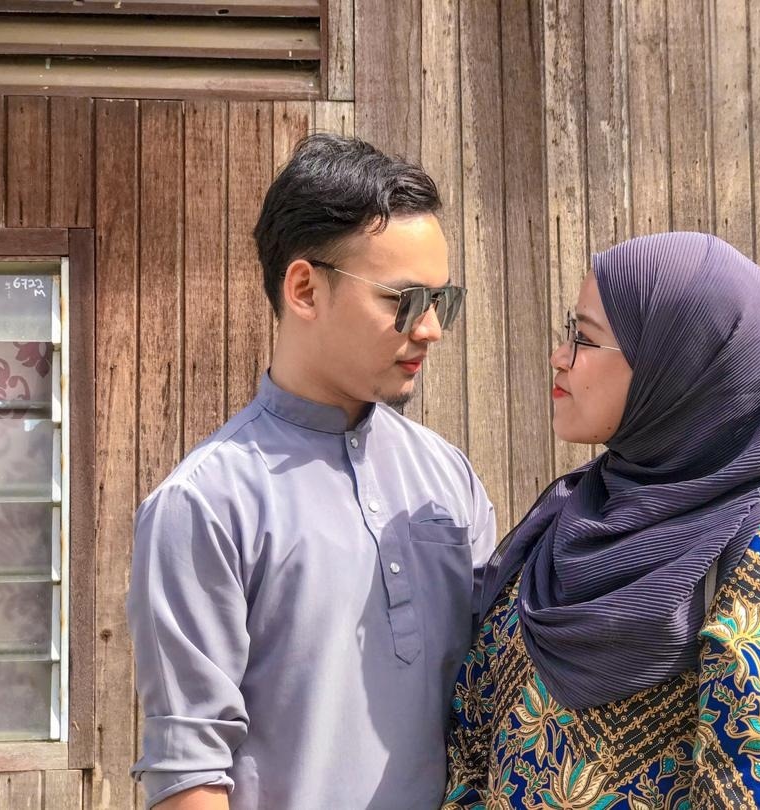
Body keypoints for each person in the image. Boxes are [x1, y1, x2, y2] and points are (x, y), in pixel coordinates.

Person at [127, 134, 496, 810]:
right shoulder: (206, 503)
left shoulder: (447, 478)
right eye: (405, 299)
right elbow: (189, 773)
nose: (431, 329)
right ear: (304, 289)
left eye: (442, 301)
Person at [443, 232, 760, 809]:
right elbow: (470, 756)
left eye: (585, 339)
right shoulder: (570, 519)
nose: (559, 357)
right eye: (569, 332)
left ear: (679, 369)